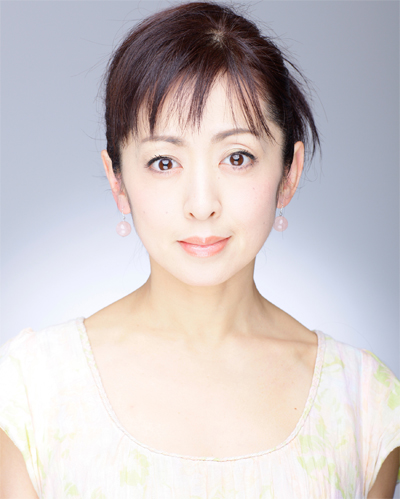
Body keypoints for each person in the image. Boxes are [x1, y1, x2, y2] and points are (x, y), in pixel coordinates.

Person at [1, 1, 399, 497]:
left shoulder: (363, 403)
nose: (202, 204)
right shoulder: (33, 390)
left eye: (238, 157)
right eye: (164, 162)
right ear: (117, 181)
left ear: (289, 173)